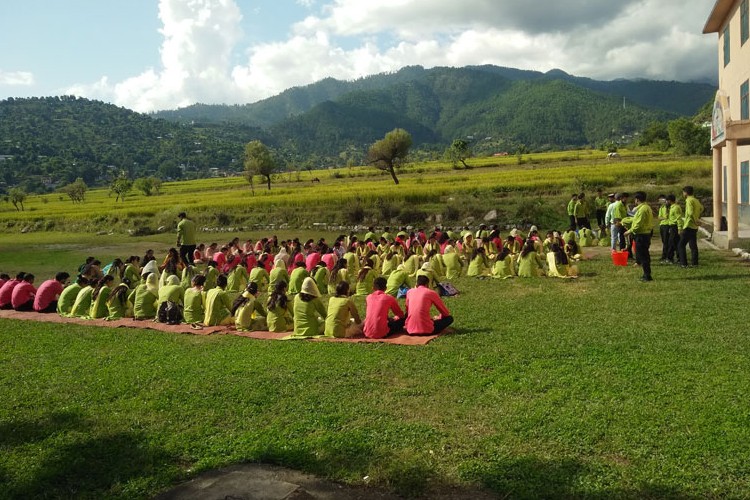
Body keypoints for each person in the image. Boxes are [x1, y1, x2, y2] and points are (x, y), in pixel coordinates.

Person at [625, 191, 654, 282]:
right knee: (645, 255)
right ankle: (647, 274)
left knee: (643, 256)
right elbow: (636, 220)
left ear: (637, 199)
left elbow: (638, 224)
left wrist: (629, 232)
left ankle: (647, 276)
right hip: (646, 234)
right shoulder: (646, 207)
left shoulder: (642, 210)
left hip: (641, 235)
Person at [678, 185, 703, 268]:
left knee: (681, 245)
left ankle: (683, 263)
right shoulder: (696, 200)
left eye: (683, 192)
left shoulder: (689, 200)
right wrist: (698, 217)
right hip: (694, 227)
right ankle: (695, 263)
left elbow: (690, 212)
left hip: (689, 224)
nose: (683, 194)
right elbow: (701, 208)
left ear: (685, 193)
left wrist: (695, 219)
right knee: (693, 246)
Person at [666, 194, 683, 263]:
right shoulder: (671, 207)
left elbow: (678, 218)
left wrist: (679, 228)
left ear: (669, 201)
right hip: (672, 226)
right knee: (674, 243)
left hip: (675, 227)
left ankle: (671, 258)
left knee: (672, 243)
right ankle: (676, 257)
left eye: (667, 201)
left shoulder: (676, 208)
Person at [657, 194, 670, 262]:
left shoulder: (668, 207)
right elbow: (659, 217)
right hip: (662, 225)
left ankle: (666, 256)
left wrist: (664, 218)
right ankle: (664, 255)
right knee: (664, 241)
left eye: (661, 199)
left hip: (667, 225)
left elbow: (668, 217)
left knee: (666, 241)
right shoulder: (661, 207)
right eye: (659, 200)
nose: (660, 201)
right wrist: (664, 218)